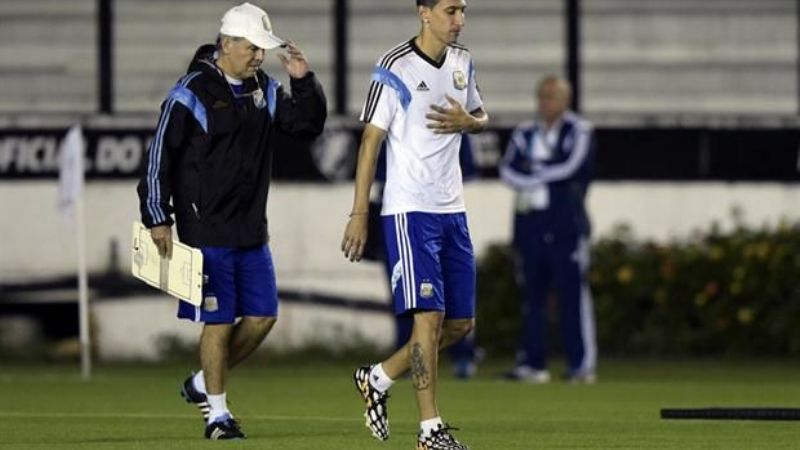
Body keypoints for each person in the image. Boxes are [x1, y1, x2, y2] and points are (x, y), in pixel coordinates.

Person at [136, 2, 326, 440]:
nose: (259, 56)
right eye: (252, 47)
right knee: (218, 320)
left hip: (250, 226)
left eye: (263, 48)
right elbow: (159, 156)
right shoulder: (191, 92)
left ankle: (204, 381)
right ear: (226, 44)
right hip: (204, 226)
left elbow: (305, 126)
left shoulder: (265, 88)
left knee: (262, 317)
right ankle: (217, 415)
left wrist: (303, 82)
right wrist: (156, 216)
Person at [341, 0, 488, 448]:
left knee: (460, 324)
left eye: (463, 10)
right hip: (408, 211)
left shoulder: (464, 62)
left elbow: (481, 116)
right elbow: (370, 141)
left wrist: (472, 123)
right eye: (450, 10)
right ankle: (430, 431)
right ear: (423, 12)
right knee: (429, 317)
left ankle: (379, 377)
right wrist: (359, 212)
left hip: (452, 211)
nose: (459, 19)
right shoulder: (395, 66)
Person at [498, 76, 597, 384]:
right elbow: (508, 170)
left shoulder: (579, 130)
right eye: (541, 97)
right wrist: (536, 177)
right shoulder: (525, 132)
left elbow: (572, 167)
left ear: (566, 100)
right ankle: (532, 363)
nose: (545, 103)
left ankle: (581, 365)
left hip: (566, 225)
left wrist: (535, 171)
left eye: (551, 97)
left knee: (572, 297)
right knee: (532, 297)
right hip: (530, 226)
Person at [363, 137, 483, 379]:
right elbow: (370, 151)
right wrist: (360, 214)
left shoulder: (452, 107)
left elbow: (469, 162)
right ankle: (401, 372)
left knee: (457, 314)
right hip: (403, 216)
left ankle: (390, 371)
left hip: (445, 214)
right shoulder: (395, 109)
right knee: (410, 302)